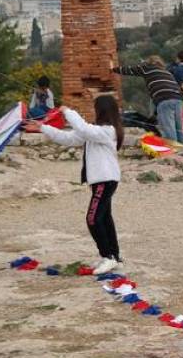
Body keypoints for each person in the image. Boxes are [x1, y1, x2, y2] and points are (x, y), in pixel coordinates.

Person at [25, 96, 125, 275]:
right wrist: (43, 127)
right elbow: (68, 138)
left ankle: (108, 257)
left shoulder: (108, 131)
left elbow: (82, 127)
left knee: (92, 219)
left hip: (105, 180)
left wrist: (67, 111)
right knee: (104, 218)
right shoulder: (94, 131)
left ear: (101, 110)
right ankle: (115, 257)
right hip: (101, 180)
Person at [112, 56, 183, 144]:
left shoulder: (147, 68)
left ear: (149, 62)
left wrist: (113, 69)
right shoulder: (166, 72)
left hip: (164, 99)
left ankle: (174, 151)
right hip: (178, 99)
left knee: (169, 128)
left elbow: (130, 70)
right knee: (179, 128)